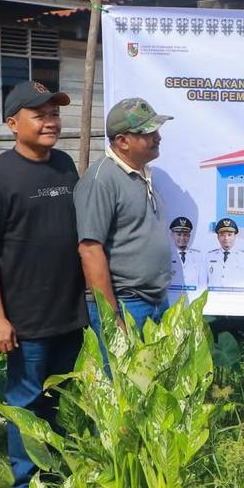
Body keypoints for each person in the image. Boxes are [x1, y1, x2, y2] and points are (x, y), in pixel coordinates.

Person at [0, 81, 86, 488]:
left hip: (69, 314)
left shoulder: (66, 166)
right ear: (12, 123)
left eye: (54, 113)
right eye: (40, 114)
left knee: (55, 402)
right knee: (25, 404)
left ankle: (54, 485)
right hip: (26, 317)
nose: (51, 121)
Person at [75, 97, 174, 330]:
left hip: (154, 302)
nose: (157, 138)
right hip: (125, 305)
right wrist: (112, 318)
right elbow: (89, 250)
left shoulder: (142, 173)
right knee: (120, 368)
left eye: (157, 131)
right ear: (122, 141)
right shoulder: (101, 179)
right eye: (148, 133)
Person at [167, 216, 206, 306]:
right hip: (171, 304)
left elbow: (203, 284)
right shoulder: (166, 255)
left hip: (193, 303)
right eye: (179, 234)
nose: (182, 238)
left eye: (185, 235)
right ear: (172, 234)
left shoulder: (198, 256)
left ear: (189, 236)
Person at [207, 218, 244, 290]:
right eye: (222, 235)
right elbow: (203, 285)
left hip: (236, 299)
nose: (226, 238)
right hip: (214, 299)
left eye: (229, 235)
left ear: (235, 237)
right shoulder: (209, 256)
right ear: (218, 237)